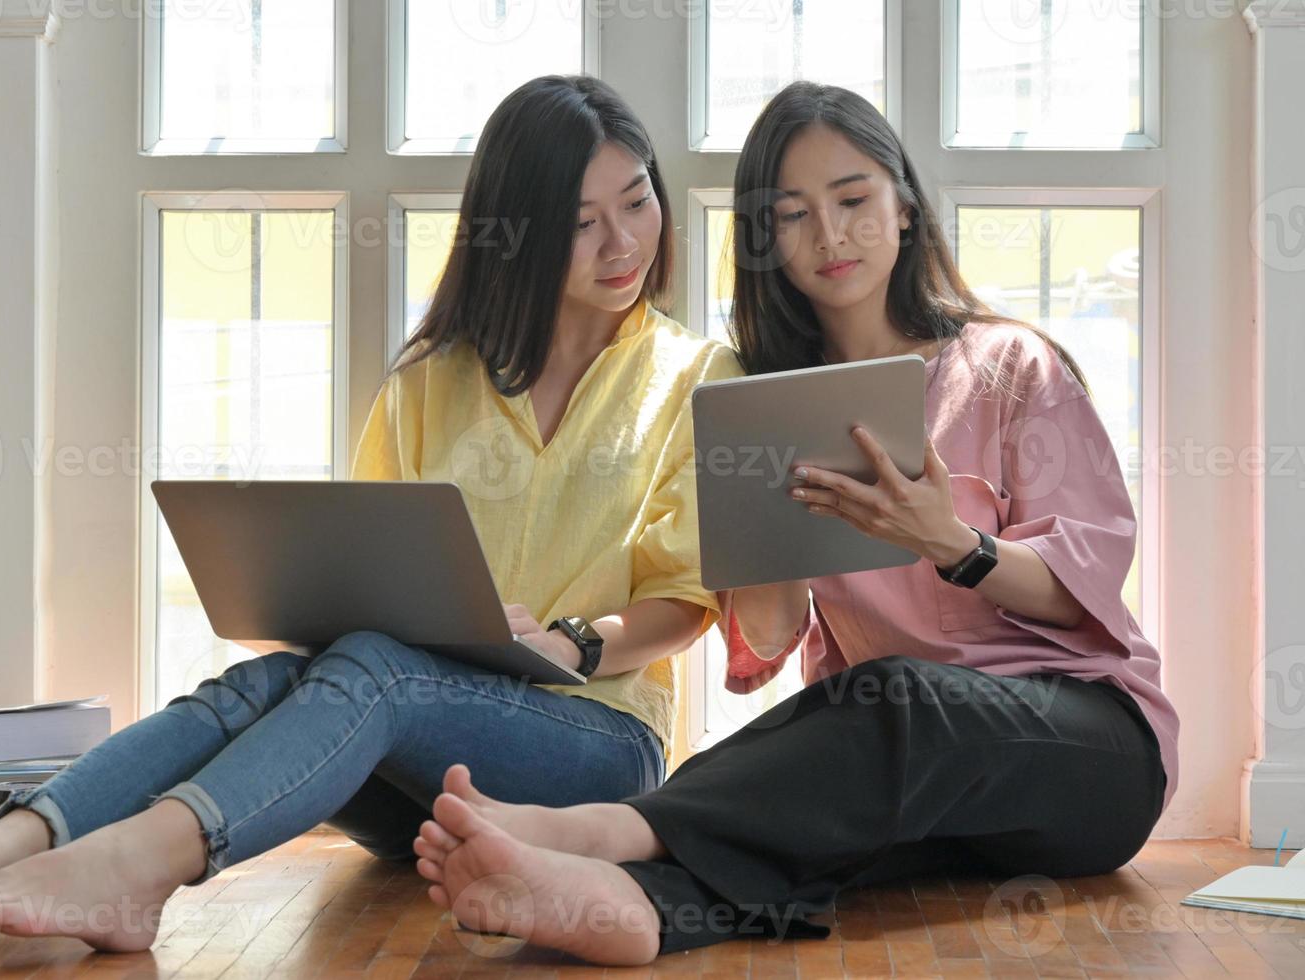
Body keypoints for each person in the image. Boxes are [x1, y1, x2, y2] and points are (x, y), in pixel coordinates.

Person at [0, 74, 740, 952]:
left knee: (378, 671)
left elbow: (686, 600)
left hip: (595, 745)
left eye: (637, 201)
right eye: (582, 223)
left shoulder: (700, 376)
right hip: (414, 783)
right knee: (278, 677)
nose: (622, 241)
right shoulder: (432, 381)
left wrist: (568, 643)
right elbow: (375, 576)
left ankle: (133, 867)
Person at [411, 80, 1179, 966]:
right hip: (904, 767)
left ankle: (595, 833)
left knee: (894, 694)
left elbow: (1083, 592)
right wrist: (764, 523)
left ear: (902, 206)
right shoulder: (765, 406)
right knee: (823, 791)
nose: (831, 235)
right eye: (793, 215)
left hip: (1088, 751)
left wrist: (951, 542)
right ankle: (637, 909)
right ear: (765, 241)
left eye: (853, 200)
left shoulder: (1010, 365)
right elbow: (769, 641)